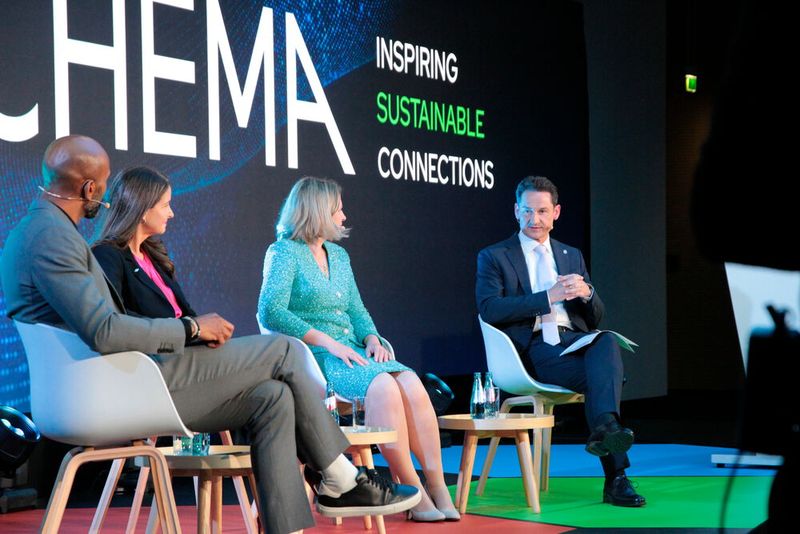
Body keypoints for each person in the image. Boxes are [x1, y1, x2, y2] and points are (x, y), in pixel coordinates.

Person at [0, 137, 419, 534]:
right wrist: (193, 328)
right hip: (119, 389)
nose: (105, 196)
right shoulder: (53, 238)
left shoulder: (38, 230)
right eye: (104, 187)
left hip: (127, 380)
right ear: (89, 187)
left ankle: (293, 523)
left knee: (273, 397)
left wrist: (194, 330)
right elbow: (106, 331)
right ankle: (340, 477)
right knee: (284, 349)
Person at [258, 177, 460, 522]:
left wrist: (372, 339)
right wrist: (328, 343)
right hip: (314, 355)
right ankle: (411, 489)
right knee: (383, 385)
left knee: (409, 381)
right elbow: (270, 311)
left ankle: (438, 485)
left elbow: (357, 310)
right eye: (337, 209)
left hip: (352, 350)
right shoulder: (283, 252)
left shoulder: (338, 254)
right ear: (318, 213)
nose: (343, 215)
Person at [475, 175, 645, 507]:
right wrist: (546, 297)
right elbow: (489, 309)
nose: (533, 220)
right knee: (605, 380)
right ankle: (616, 476)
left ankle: (607, 430)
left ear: (556, 212)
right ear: (515, 210)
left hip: (574, 342)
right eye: (526, 211)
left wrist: (587, 293)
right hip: (535, 348)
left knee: (607, 342)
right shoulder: (495, 256)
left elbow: (594, 318)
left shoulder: (571, 255)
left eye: (541, 211)